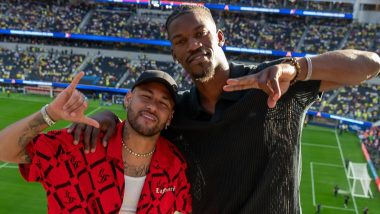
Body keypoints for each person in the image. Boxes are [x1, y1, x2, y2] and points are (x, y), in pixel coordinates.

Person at [71, 5, 380, 213]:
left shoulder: (272, 82)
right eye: (180, 41)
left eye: (200, 33)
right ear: (174, 53)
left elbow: (370, 65)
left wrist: (297, 69)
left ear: (219, 37)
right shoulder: (176, 112)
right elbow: (137, 126)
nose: (192, 45)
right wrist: (107, 116)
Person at [0, 70, 192, 213]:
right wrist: (49, 114)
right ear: (128, 99)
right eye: (146, 96)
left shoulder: (175, 164)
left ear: (170, 117)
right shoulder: (79, 142)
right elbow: (4, 150)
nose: (152, 107)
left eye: (163, 103)